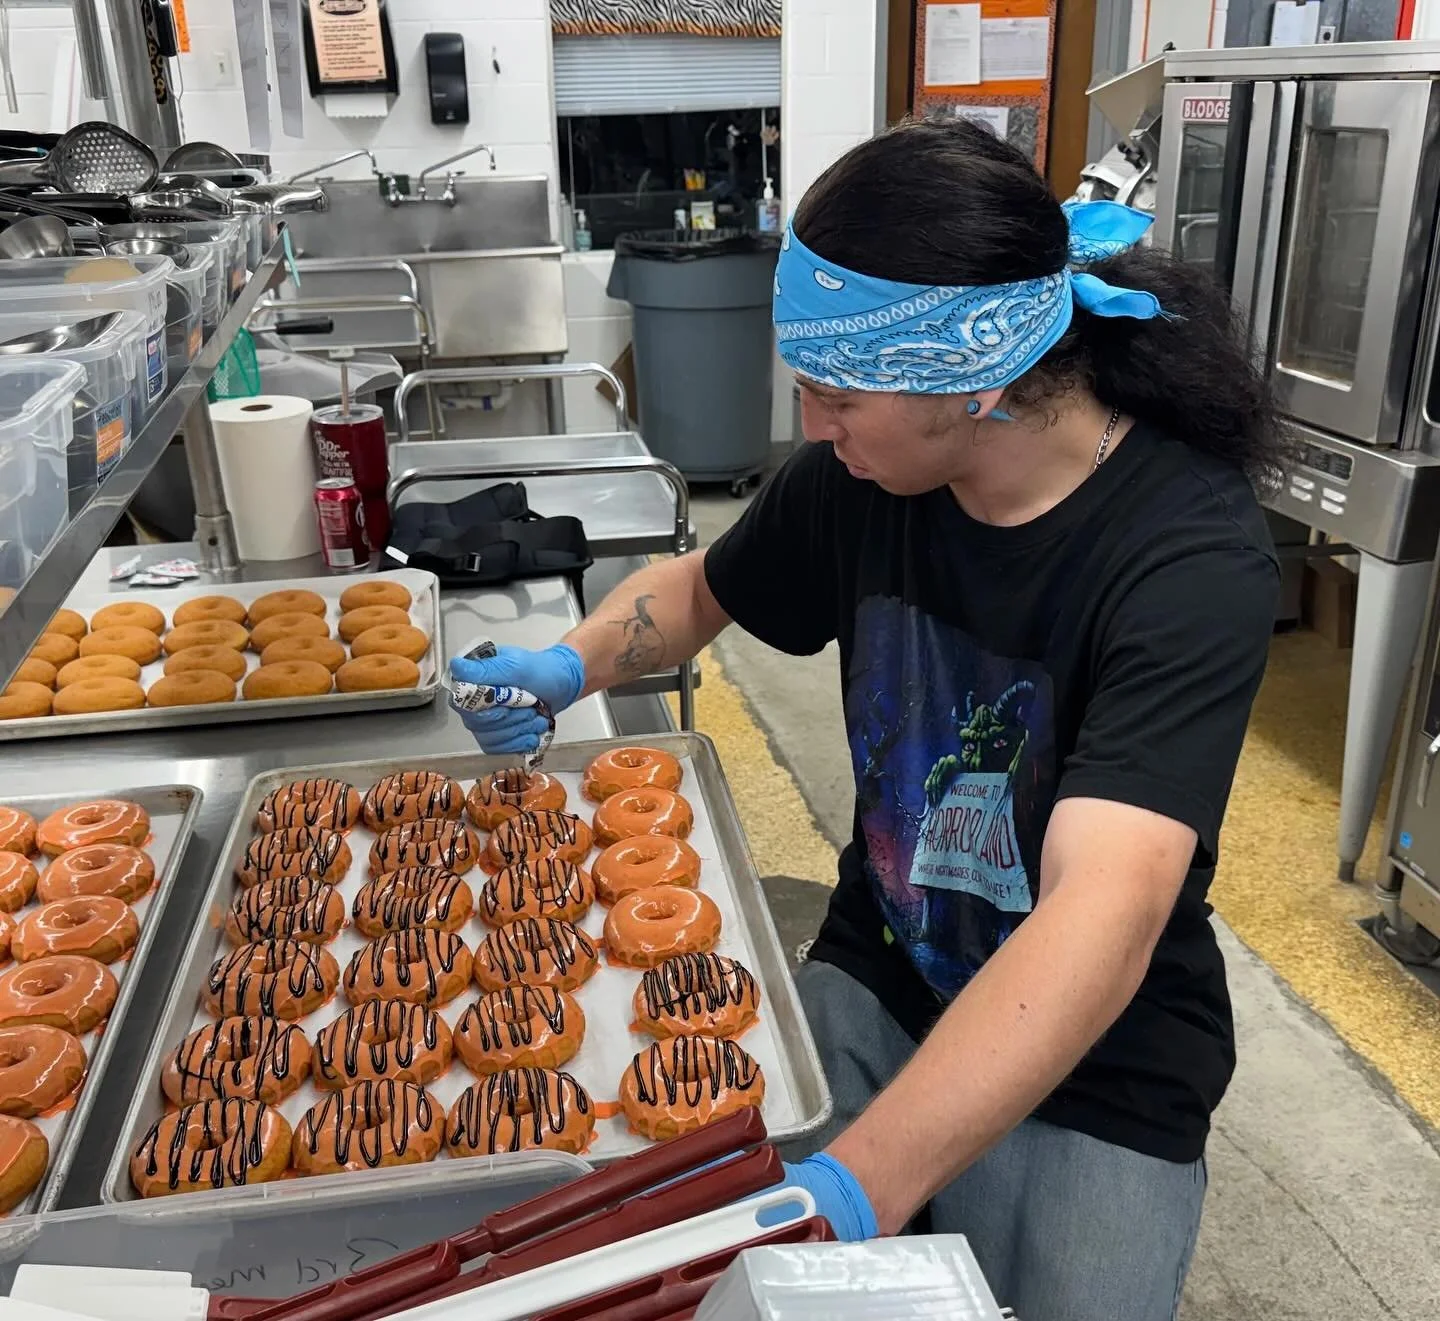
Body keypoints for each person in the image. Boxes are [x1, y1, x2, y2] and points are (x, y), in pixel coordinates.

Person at [451, 118, 1283, 1321]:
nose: (809, 424)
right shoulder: (863, 475)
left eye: (835, 394)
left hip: (1098, 1053)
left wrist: (865, 1182)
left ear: (976, 376)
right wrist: (565, 665)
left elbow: (1108, 905)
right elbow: (694, 591)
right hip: (883, 968)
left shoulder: (1185, 556)